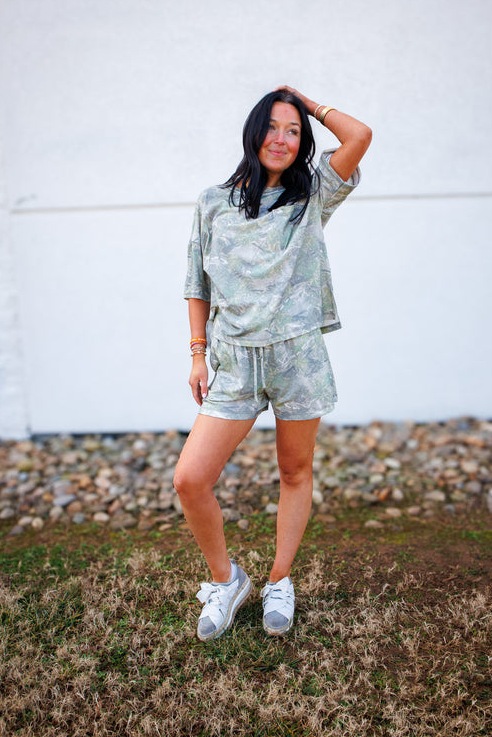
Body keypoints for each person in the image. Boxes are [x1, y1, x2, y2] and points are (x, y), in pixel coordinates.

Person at [174, 85, 372, 642]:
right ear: (253, 131)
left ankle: (279, 579)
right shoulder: (214, 201)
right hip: (233, 361)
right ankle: (227, 580)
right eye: (273, 126)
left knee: (294, 471)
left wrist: (307, 104)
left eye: (294, 131)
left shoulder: (314, 197)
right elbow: (197, 282)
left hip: (297, 356)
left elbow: (359, 136)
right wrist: (196, 355)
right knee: (191, 479)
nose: (282, 139)